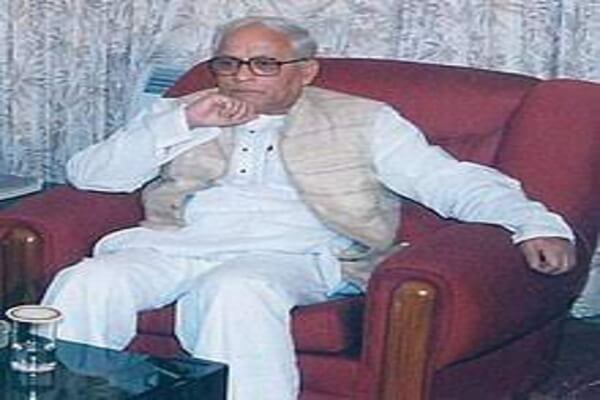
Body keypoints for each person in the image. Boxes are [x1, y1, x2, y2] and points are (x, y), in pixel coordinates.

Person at [41, 15, 576, 400]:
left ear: (306, 71)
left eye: (263, 64)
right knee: (87, 282)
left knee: (235, 292)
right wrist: (183, 123)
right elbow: (92, 176)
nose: (240, 75)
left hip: (294, 254)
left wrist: (532, 222)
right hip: (172, 244)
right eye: (227, 63)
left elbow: (449, 181)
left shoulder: (365, 120)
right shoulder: (185, 110)